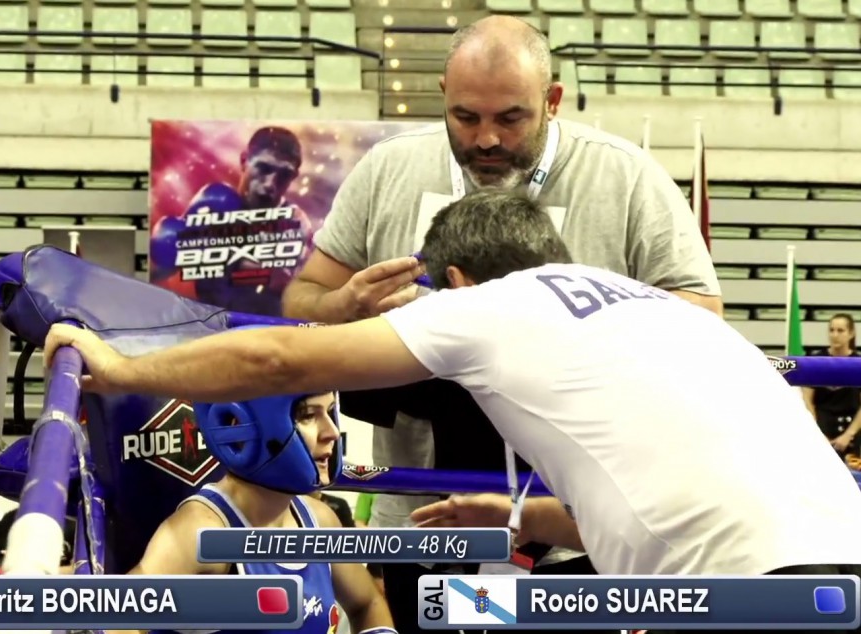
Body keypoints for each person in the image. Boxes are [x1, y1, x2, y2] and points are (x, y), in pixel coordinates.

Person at [46, 190, 861, 591]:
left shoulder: (490, 306)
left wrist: (120, 369)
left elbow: (282, 362)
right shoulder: (650, 308)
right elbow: (690, 480)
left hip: (744, 590)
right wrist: (522, 515)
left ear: (459, 279)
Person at [278, 13, 722, 630]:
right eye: (466, 117)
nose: (486, 139)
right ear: (442, 97)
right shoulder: (388, 170)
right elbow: (303, 299)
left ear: (552, 100)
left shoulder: (623, 176)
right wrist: (344, 307)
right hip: (423, 517)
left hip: (575, 527)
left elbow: (701, 316)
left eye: (510, 118)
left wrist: (563, 322)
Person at [124, 387, 394, 634]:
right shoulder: (201, 531)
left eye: (330, 411)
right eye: (308, 415)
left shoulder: (318, 519)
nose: (332, 432)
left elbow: (367, 603)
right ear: (237, 425)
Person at [151, 126, 311, 316]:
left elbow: (289, 285)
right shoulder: (217, 202)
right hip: (207, 327)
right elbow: (160, 267)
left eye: (284, 175)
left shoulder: (293, 223)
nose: (270, 184)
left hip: (263, 332)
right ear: (244, 161)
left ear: (293, 176)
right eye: (263, 168)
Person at [803, 313, 861, 456]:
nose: (835, 335)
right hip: (821, 426)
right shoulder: (815, 361)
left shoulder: (857, 363)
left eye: (840, 331)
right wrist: (817, 433)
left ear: (851, 333)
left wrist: (849, 435)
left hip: (852, 429)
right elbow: (807, 401)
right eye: (832, 330)